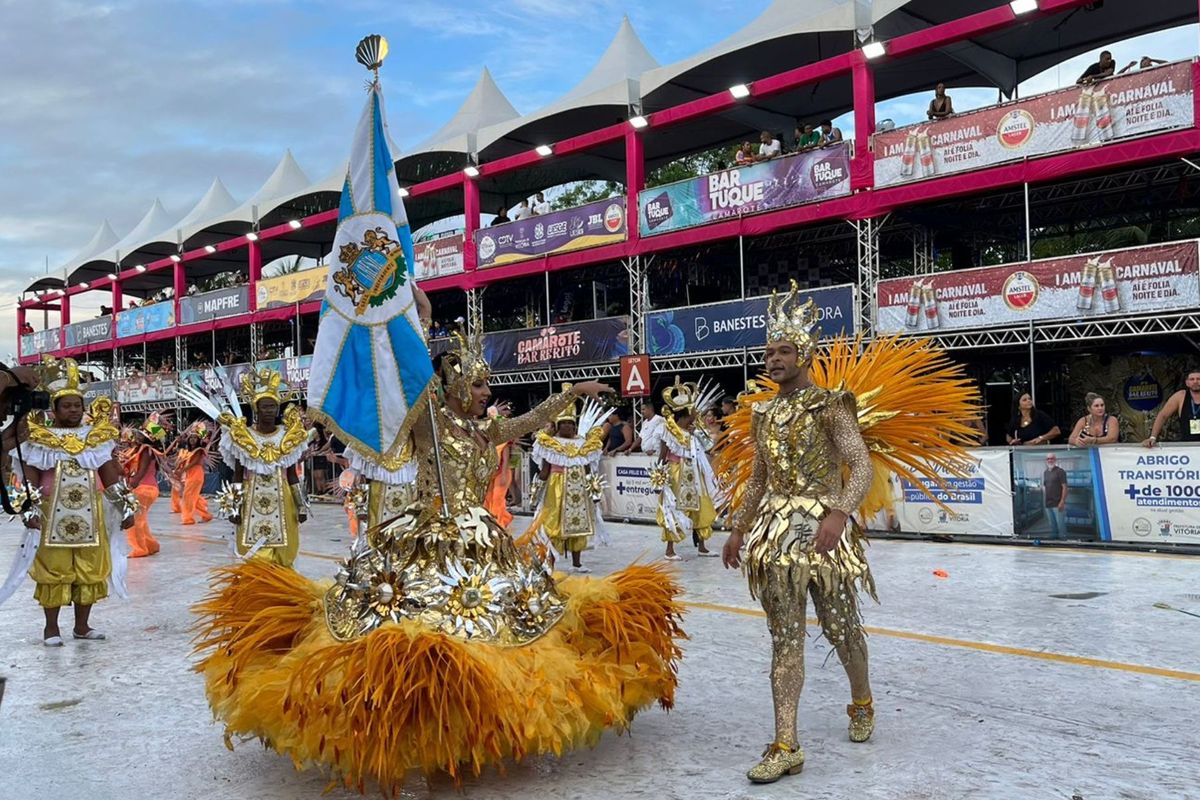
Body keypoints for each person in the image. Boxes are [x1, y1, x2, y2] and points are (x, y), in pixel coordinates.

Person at [192, 329, 684, 791]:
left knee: (504, 634)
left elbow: (529, 423)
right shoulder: (429, 421)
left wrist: (572, 392)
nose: (486, 392)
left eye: (486, 384)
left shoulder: (483, 430)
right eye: (477, 384)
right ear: (451, 387)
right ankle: (430, 722)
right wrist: (418, 325)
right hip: (428, 538)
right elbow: (408, 379)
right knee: (431, 633)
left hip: (481, 542)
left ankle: (478, 719)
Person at [717, 283, 978, 784]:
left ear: (805, 355)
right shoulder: (763, 413)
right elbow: (759, 478)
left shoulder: (831, 404)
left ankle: (861, 700)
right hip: (775, 535)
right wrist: (738, 528)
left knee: (841, 630)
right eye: (769, 351)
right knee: (784, 639)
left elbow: (858, 466)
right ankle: (786, 743)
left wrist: (837, 513)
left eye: (784, 351)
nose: (773, 359)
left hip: (823, 533)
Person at [0, 357, 136, 644]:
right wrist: (28, 510)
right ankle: (51, 628)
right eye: (67, 405)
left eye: (77, 405)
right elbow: (27, 475)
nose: (73, 410)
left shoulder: (95, 437)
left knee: (89, 569)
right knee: (54, 571)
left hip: (91, 514)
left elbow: (109, 472)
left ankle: (82, 627)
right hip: (51, 515)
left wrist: (125, 506)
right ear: (55, 408)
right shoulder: (38, 437)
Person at [211, 367, 310, 566]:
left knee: (285, 550)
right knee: (253, 553)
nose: (269, 411)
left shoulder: (288, 436)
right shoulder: (243, 436)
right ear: (256, 409)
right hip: (251, 501)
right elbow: (238, 475)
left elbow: (291, 474)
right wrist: (234, 508)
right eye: (264, 407)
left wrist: (301, 505)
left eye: (272, 407)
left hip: (283, 501)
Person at [526, 390, 606, 573]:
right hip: (556, 490)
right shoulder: (550, 443)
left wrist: (594, 492)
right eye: (564, 424)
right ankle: (550, 563)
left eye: (571, 423)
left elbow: (587, 469)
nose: (568, 427)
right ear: (558, 425)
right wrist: (535, 495)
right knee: (553, 527)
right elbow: (544, 471)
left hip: (578, 490)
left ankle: (577, 563)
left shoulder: (583, 443)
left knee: (577, 526)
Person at [655, 378, 722, 560]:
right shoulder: (667, 430)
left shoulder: (696, 432)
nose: (696, 413)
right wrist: (659, 476)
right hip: (676, 473)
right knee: (674, 509)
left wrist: (698, 431)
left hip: (695, 474)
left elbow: (708, 447)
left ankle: (702, 546)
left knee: (702, 507)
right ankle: (670, 550)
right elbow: (663, 453)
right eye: (693, 411)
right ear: (685, 413)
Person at [120, 418, 165, 557]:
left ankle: (140, 549)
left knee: (135, 520)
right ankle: (151, 545)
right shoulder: (140, 451)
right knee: (141, 519)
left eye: (140, 435)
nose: (137, 437)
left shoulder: (146, 450)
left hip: (142, 487)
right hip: (148, 488)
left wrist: (132, 484)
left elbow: (142, 470)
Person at [1144, 368, 1200, 446]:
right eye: (1192, 379)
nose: (1195, 382)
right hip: (1188, 447)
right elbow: (1163, 415)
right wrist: (1153, 437)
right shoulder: (1180, 396)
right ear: (1187, 383)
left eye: (1198, 379)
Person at [175, 423, 214, 525]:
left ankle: (188, 519)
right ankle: (206, 515)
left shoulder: (199, 450)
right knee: (194, 497)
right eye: (191, 437)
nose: (192, 439)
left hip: (196, 475)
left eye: (195, 438)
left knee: (187, 497)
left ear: (198, 440)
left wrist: (182, 470)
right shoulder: (188, 451)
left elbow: (195, 462)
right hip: (190, 475)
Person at [1041, 453, 1069, 539]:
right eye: (1048, 459)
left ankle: (1063, 542)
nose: (1050, 460)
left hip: (1057, 503)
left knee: (1061, 525)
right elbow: (1045, 487)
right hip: (1048, 503)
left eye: (1052, 458)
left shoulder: (1060, 471)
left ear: (1055, 460)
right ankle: (1054, 542)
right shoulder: (1045, 473)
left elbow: (1065, 487)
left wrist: (1062, 501)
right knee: (1052, 525)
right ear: (1046, 460)